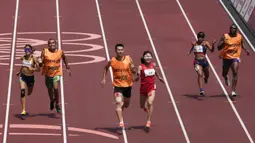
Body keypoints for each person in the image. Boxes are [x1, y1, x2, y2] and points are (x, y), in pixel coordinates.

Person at [101, 44, 135, 130]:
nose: (120, 51)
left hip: (128, 85)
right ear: (116, 51)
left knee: (126, 105)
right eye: (118, 50)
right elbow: (105, 68)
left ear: (123, 50)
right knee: (118, 103)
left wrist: (133, 68)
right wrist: (104, 79)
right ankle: (121, 123)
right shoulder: (112, 61)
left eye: (121, 50)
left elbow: (134, 71)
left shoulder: (128, 59)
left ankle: (120, 111)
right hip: (117, 86)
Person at [39, 38, 71, 113]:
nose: (51, 44)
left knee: (56, 88)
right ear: (48, 45)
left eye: (53, 43)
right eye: (50, 43)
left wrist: (67, 67)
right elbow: (41, 61)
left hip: (57, 72)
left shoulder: (60, 52)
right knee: (50, 89)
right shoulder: (44, 51)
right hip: (47, 73)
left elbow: (64, 58)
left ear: (55, 44)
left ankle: (57, 105)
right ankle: (52, 100)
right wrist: (40, 63)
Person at [134, 51, 164, 131]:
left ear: (151, 58)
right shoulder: (140, 67)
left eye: (149, 56)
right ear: (143, 58)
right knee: (142, 106)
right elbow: (137, 77)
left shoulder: (153, 65)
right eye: (146, 56)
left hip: (151, 88)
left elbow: (156, 71)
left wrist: (159, 77)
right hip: (143, 89)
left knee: (150, 102)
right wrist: (137, 77)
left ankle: (148, 121)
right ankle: (146, 108)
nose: (148, 57)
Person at [217, 24, 250, 96]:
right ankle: (226, 77)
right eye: (231, 28)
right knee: (224, 73)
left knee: (235, 71)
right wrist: (223, 43)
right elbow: (218, 48)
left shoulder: (239, 36)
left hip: (235, 57)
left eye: (234, 28)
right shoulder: (225, 36)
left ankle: (233, 90)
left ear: (236, 30)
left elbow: (242, 44)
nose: (232, 29)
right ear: (229, 29)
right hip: (226, 57)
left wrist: (246, 50)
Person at [16, 44, 40, 115]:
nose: (27, 51)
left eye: (28, 49)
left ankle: (29, 90)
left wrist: (32, 69)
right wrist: (19, 72)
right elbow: (23, 66)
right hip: (23, 77)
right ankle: (23, 110)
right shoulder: (23, 57)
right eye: (26, 49)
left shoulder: (34, 58)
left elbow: (39, 69)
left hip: (30, 78)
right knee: (22, 91)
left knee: (29, 93)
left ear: (31, 50)